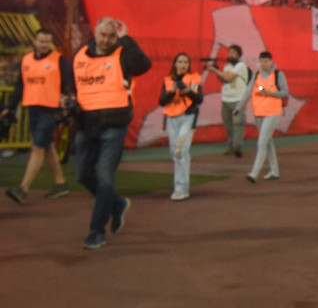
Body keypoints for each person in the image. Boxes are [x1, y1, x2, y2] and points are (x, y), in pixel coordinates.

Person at [71, 17, 152, 249]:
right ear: (95, 33)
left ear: (117, 37)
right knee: (82, 175)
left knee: (105, 177)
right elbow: (71, 84)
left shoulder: (123, 53)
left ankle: (97, 231)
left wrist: (126, 39)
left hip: (114, 125)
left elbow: (143, 65)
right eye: (102, 35)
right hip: (86, 123)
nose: (106, 40)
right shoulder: (81, 54)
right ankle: (116, 205)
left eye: (111, 36)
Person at [3, 28, 72, 205]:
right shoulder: (26, 60)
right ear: (34, 42)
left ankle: (23, 188)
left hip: (50, 110)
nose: (44, 44)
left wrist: (67, 98)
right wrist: (10, 108)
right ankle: (60, 183)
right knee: (47, 146)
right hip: (33, 108)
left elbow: (69, 83)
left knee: (37, 147)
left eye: (47, 41)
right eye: (41, 41)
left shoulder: (59, 60)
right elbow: (20, 86)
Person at [158, 53, 202, 201]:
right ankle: (181, 185)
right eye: (180, 61)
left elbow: (199, 99)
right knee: (174, 152)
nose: (182, 64)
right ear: (175, 64)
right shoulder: (168, 80)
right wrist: (172, 91)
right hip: (172, 118)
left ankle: (181, 188)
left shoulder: (193, 79)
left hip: (188, 117)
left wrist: (188, 91)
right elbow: (162, 101)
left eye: (185, 62)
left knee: (180, 150)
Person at [241, 51, 289, 183]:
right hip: (259, 113)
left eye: (266, 61)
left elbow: (285, 92)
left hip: (272, 112)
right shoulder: (257, 75)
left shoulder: (278, 74)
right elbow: (249, 91)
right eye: (261, 61)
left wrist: (271, 93)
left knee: (262, 141)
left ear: (272, 61)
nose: (263, 64)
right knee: (268, 142)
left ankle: (254, 173)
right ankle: (274, 170)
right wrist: (239, 106)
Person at [205, 45, 249, 158]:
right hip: (226, 99)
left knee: (237, 124)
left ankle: (237, 147)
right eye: (229, 52)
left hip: (238, 100)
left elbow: (229, 77)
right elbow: (224, 79)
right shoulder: (227, 66)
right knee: (228, 124)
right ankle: (231, 146)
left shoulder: (241, 65)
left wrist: (215, 70)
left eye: (233, 53)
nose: (230, 55)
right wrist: (216, 71)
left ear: (239, 55)